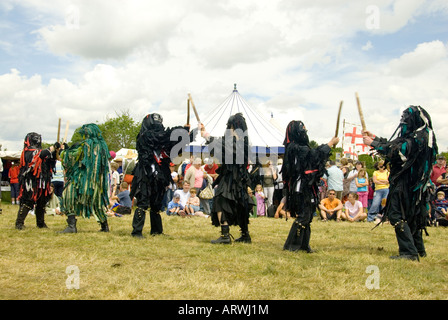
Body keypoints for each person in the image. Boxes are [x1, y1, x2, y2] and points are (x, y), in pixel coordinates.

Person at [363, 105, 438, 260]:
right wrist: (376, 139)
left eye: (405, 119)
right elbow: (398, 145)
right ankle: (418, 249)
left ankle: (409, 252)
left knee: (396, 215)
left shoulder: (418, 138)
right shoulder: (422, 135)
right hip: (414, 186)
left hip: (406, 184)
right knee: (411, 215)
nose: (403, 122)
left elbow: (397, 151)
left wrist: (374, 144)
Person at [130, 113, 191, 238]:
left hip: (160, 174)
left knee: (156, 203)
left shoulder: (163, 139)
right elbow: (161, 137)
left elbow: (175, 146)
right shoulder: (144, 136)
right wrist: (181, 130)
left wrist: (185, 133)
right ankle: (137, 231)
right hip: (146, 173)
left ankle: (157, 231)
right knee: (143, 201)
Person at [282, 120, 339, 252]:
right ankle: (292, 245)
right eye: (302, 131)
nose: (304, 134)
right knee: (304, 214)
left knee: (307, 215)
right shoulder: (294, 147)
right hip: (301, 186)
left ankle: (303, 244)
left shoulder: (298, 147)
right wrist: (330, 144)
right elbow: (313, 155)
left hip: (306, 186)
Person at [201, 113, 254, 244]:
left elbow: (224, 146)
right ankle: (245, 235)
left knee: (221, 200)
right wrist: (206, 135)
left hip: (232, 177)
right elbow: (221, 148)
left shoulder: (238, 143)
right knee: (240, 203)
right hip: (238, 178)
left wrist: (207, 136)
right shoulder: (243, 142)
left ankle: (225, 236)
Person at [60, 124, 111, 233]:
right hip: (96, 182)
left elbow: (73, 156)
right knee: (97, 203)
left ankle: (71, 226)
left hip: (82, 180)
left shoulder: (87, 145)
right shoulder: (102, 146)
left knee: (68, 195)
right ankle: (104, 226)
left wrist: (64, 151)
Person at [15, 133, 60, 229]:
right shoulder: (27, 152)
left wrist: (56, 152)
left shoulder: (40, 151)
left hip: (42, 181)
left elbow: (48, 160)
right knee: (28, 201)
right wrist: (52, 147)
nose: (37, 140)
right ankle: (19, 223)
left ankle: (40, 223)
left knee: (41, 202)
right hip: (31, 181)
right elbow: (40, 155)